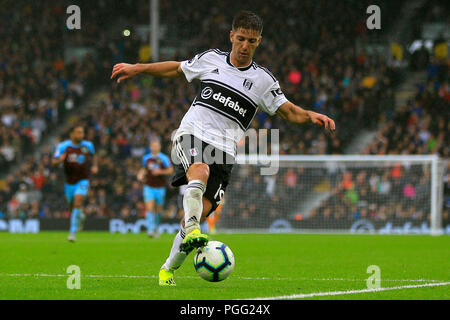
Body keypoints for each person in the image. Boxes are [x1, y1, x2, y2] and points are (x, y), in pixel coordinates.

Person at [111, 10, 335, 286]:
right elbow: (176, 68)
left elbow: (287, 111)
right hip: (192, 134)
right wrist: (138, 67)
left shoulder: (263, 81)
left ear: (258, 42)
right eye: (240, 39)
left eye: (251, 41)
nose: (244, 46)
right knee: (199, 171)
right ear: (231, 36)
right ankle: (192, 230)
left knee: (201, 211)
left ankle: (167, 269)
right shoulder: (211, 59)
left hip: (225, 151)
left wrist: (310, 115)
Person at [52, 126, 97, 242]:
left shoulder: (88, 145)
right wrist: (60, 160)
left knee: (77, 202)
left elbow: (94, 155)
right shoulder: (63, 146)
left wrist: (95, 165)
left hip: (83, 180)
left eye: (82, 132)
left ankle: (72, 232)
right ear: (72, 134)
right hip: (69, 182)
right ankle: (80, 216)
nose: (81, 135)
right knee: (72, 206)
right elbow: (54, 162)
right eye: (78, 133)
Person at [137, 139, 173, 238]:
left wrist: (160, 172)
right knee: (149, 208)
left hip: (160, 187)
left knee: (158, 210)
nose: (155, 147)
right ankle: (150, 230)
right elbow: (144, 168)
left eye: (157, 145)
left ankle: (156, 227)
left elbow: (170, 170)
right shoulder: (146, 158)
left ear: (159, 147)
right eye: (153, 145)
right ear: (150, 147)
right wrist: (140, 174)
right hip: (149, 187)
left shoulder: (164, 158)